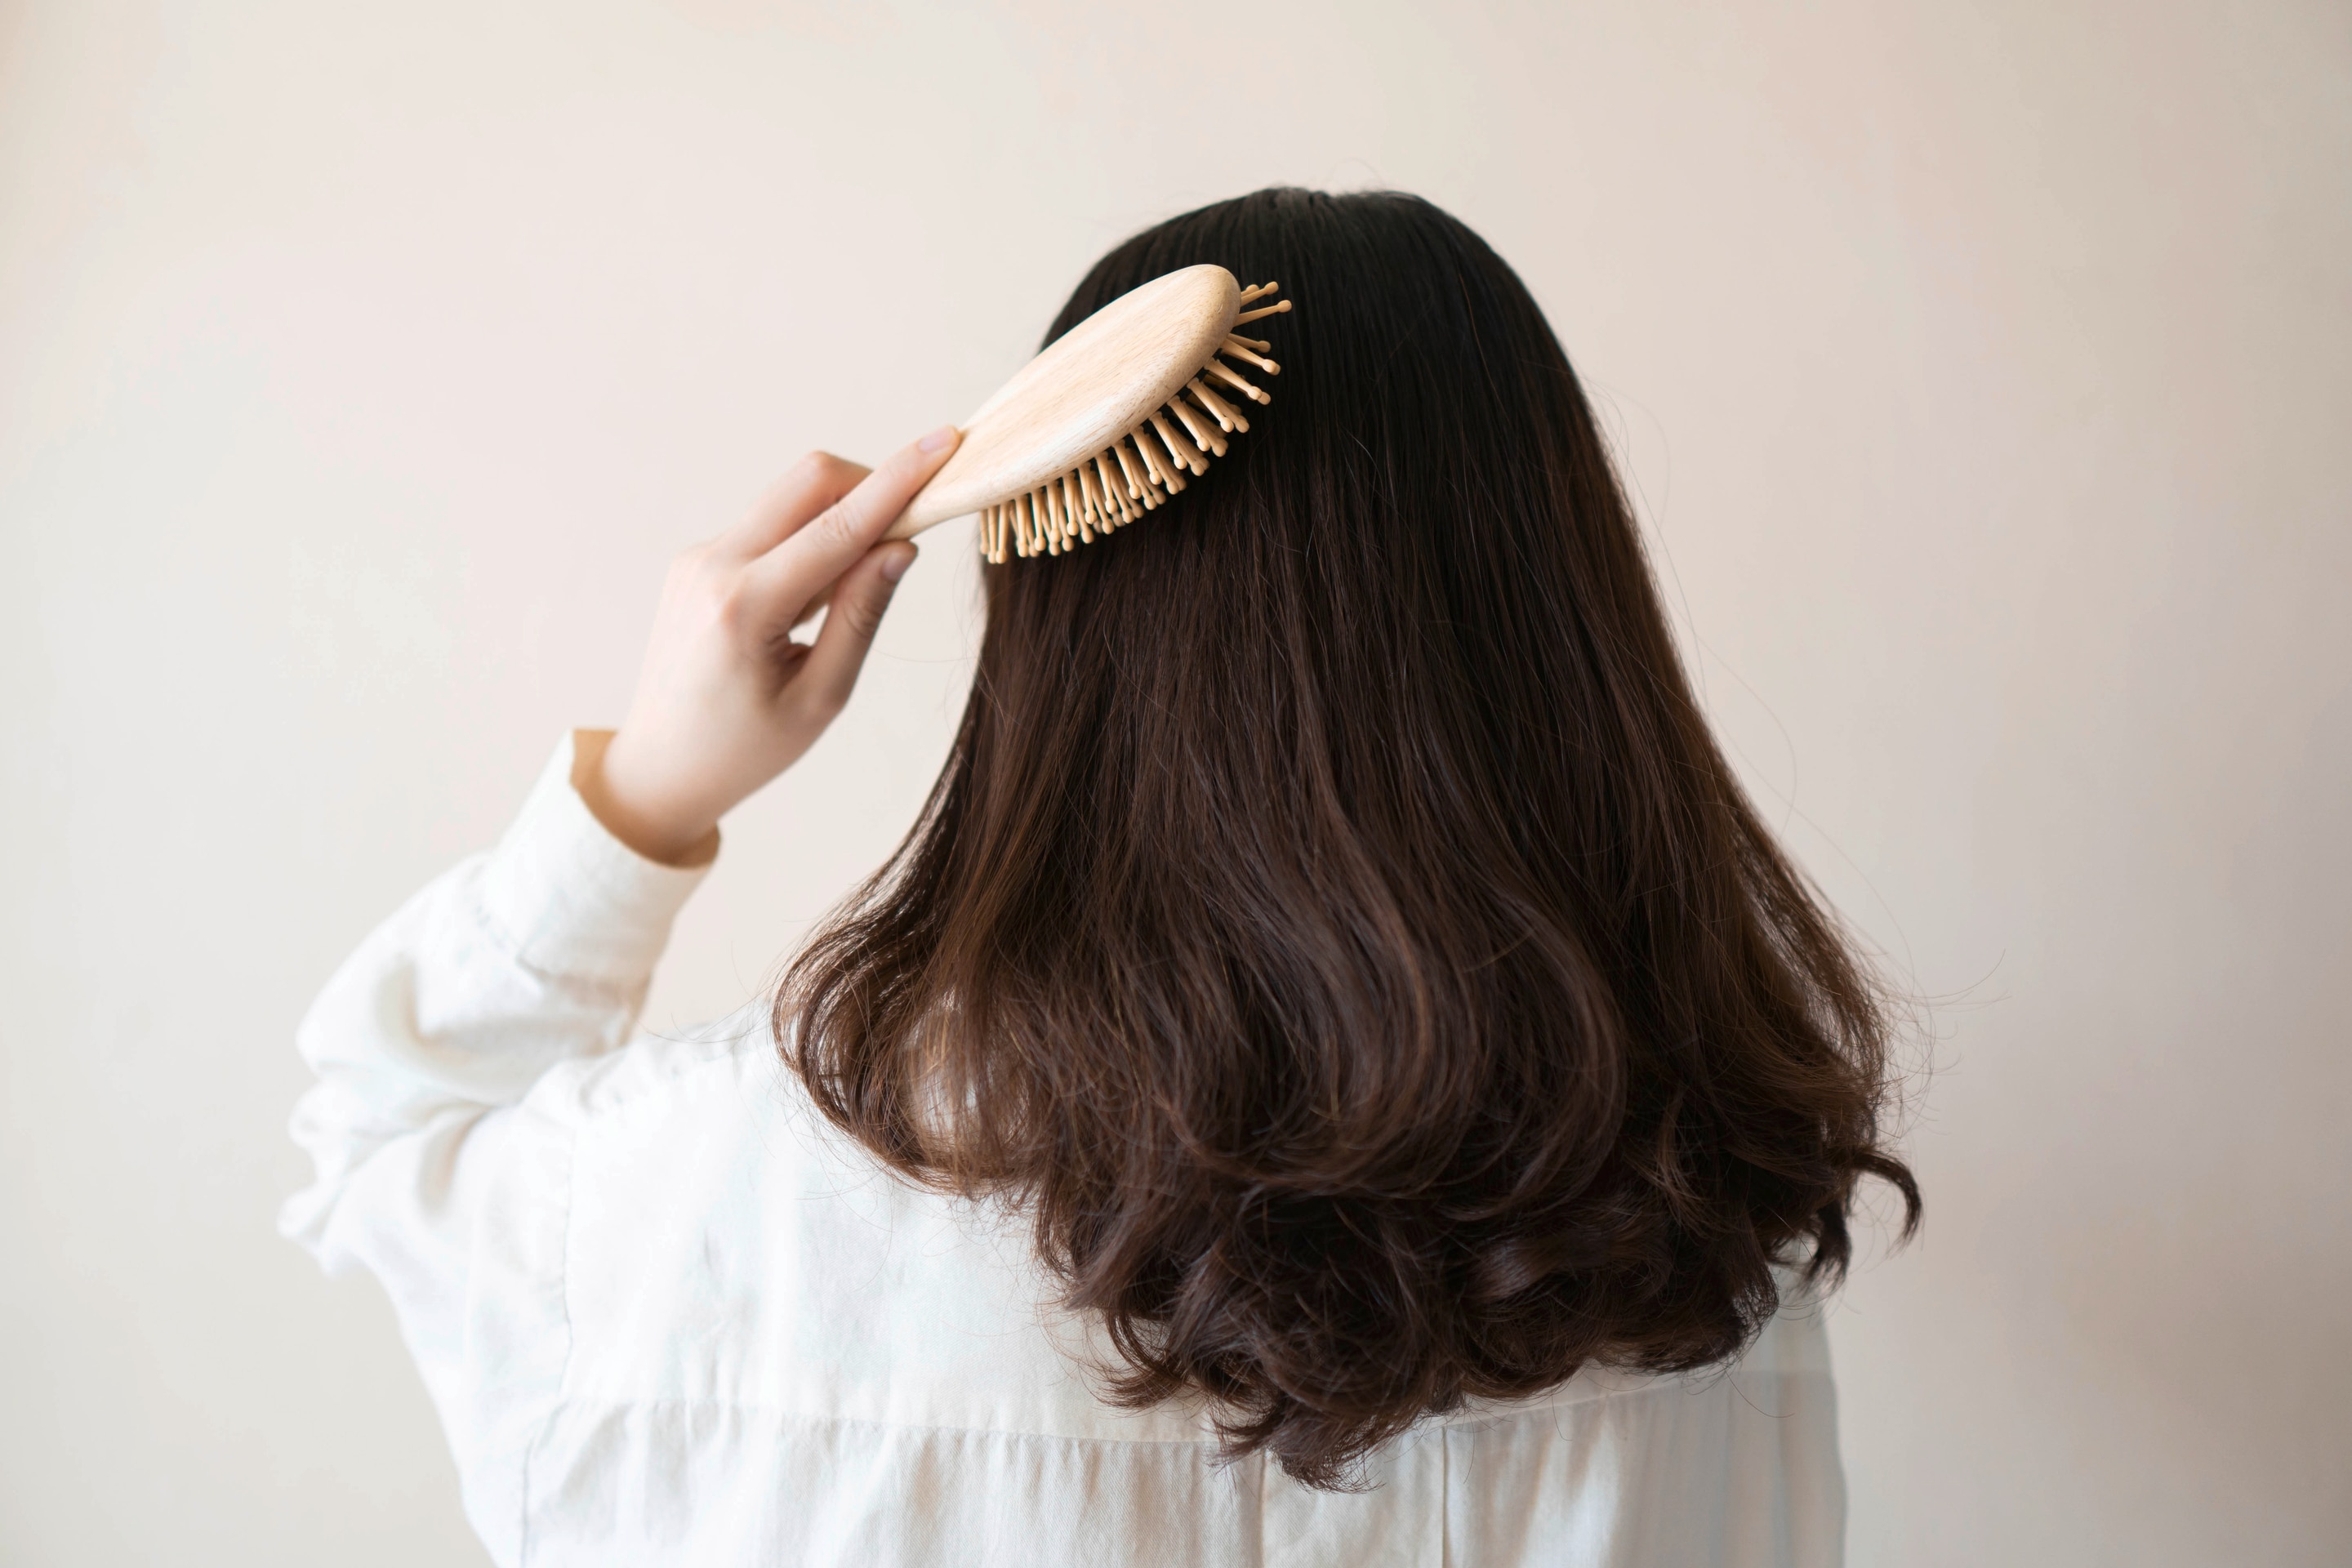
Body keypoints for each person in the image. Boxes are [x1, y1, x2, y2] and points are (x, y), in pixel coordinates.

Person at [283, 188, 1918, 1566]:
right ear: (1562, 634)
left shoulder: (716, 1212)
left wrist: (645, 790)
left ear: (1056, 640)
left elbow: (386, 1142)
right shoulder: (1708, 1253)